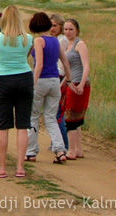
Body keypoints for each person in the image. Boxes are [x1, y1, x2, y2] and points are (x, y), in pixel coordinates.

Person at [0, 5, 34, 178]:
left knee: (3, 125)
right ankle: (20, 167)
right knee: (22, 125)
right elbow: (26, 56)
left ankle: (2, 167)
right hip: (24, 78)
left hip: (4, 79)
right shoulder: (28, 38)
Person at [26, 12, 72, 164]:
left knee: (33, 116)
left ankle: (31, 152)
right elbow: (65, 62)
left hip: (42, 81)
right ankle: (60, 150)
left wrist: (33, 83)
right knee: (51, 118)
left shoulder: (39, 41)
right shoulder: (55, 41)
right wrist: (69, 80)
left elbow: (38, 64)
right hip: (54, 81)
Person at [63, 18, 90, 159]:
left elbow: (86, 66)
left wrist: (81, 84)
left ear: (77, 31)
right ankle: (78, 149)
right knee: (75, 117)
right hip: (70, 83)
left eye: (71, 29)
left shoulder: (80, 44)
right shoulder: (66, 44)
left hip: (79, 83)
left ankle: (72, 150)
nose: (68, 32)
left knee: (72, 118)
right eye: (66, 29)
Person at [49, 13, 69, 151]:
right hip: (56, 76)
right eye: (50, 25)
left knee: (56, 114)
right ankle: (57, 143)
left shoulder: (61, 40)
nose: (52, 28)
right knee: (53, 113)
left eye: (55, 25)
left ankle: (63, 145)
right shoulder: (55, 39)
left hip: (59, 77)